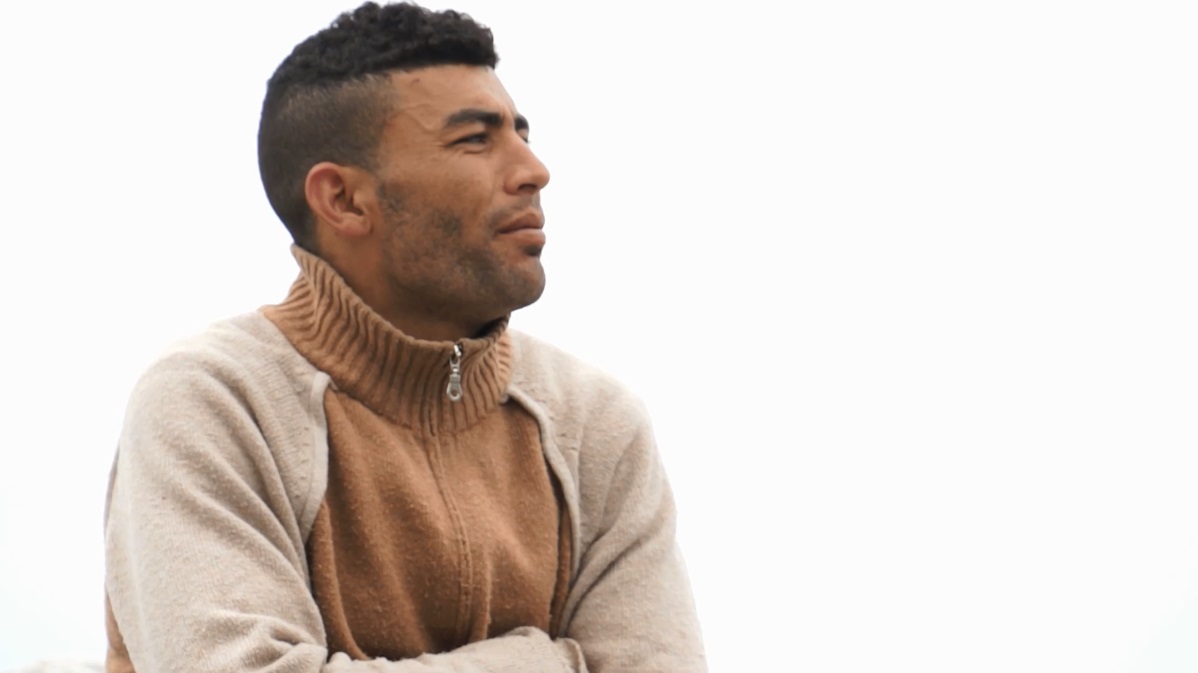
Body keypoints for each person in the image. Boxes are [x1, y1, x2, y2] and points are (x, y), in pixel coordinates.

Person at [102, 2, 706, 672]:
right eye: (475, 140)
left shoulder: (594, 425)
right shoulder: (214, 403)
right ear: (343, 200)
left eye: (521, 133)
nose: (534, 170)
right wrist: (545, 661)